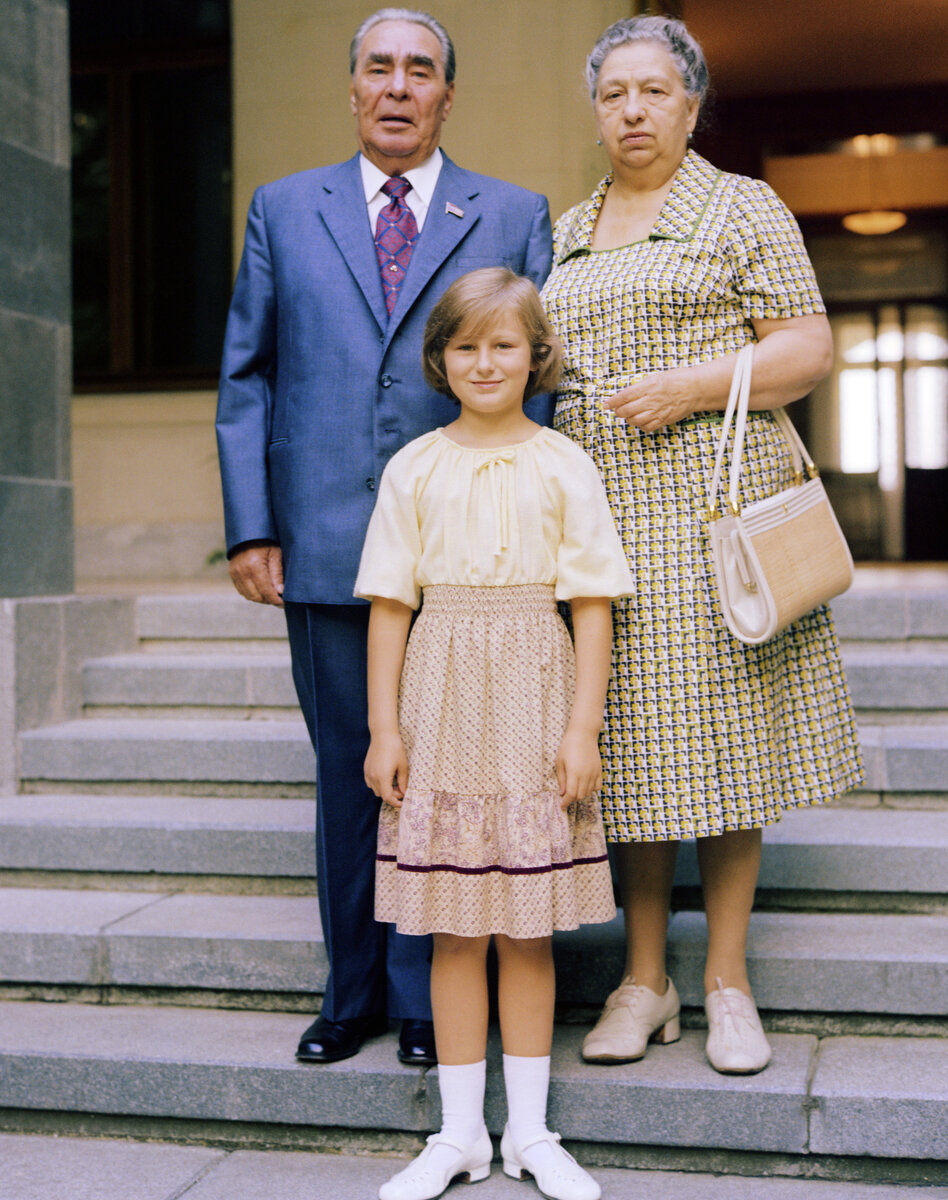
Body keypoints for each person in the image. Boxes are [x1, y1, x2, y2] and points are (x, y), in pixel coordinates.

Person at [215, 8, 552, 1068]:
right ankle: (348, 990)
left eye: (420, 71)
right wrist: (251, 526)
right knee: (347, 771)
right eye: (379, 69)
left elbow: (542, 385)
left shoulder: (511, 211)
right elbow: (247, 376)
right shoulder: (282, 207)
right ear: (351, 88)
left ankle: (424, 1003)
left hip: (468, 557)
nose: (398, 87)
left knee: (442, 772)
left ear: (447, 95)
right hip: (319, 542)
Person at [541, 16, 863, 1076]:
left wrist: (694, 384)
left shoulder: (739, 206)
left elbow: (807, 344)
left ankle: (725, 980)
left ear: (690, 105)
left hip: (714, 518)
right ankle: (645, 980)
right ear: (596, 112)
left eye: (653, 92)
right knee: (629, 755)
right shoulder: (568, 228)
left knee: (727, 750)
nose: (631, 111)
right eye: (612, 95)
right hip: (601, 524)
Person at [358, 268, 633, 1200]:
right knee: (452, 934)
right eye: (467, 346)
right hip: (440, 699)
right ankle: (459, 1136)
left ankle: (530, 1132)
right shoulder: (415, 467)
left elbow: (592, 603)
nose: (486, 362)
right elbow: (392, 605)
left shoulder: (564, 463)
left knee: (525, 933)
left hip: (533, 695)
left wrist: (581, 730)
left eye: (504, 345)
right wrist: (383, 729)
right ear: (441, 358)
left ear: (535, 356)